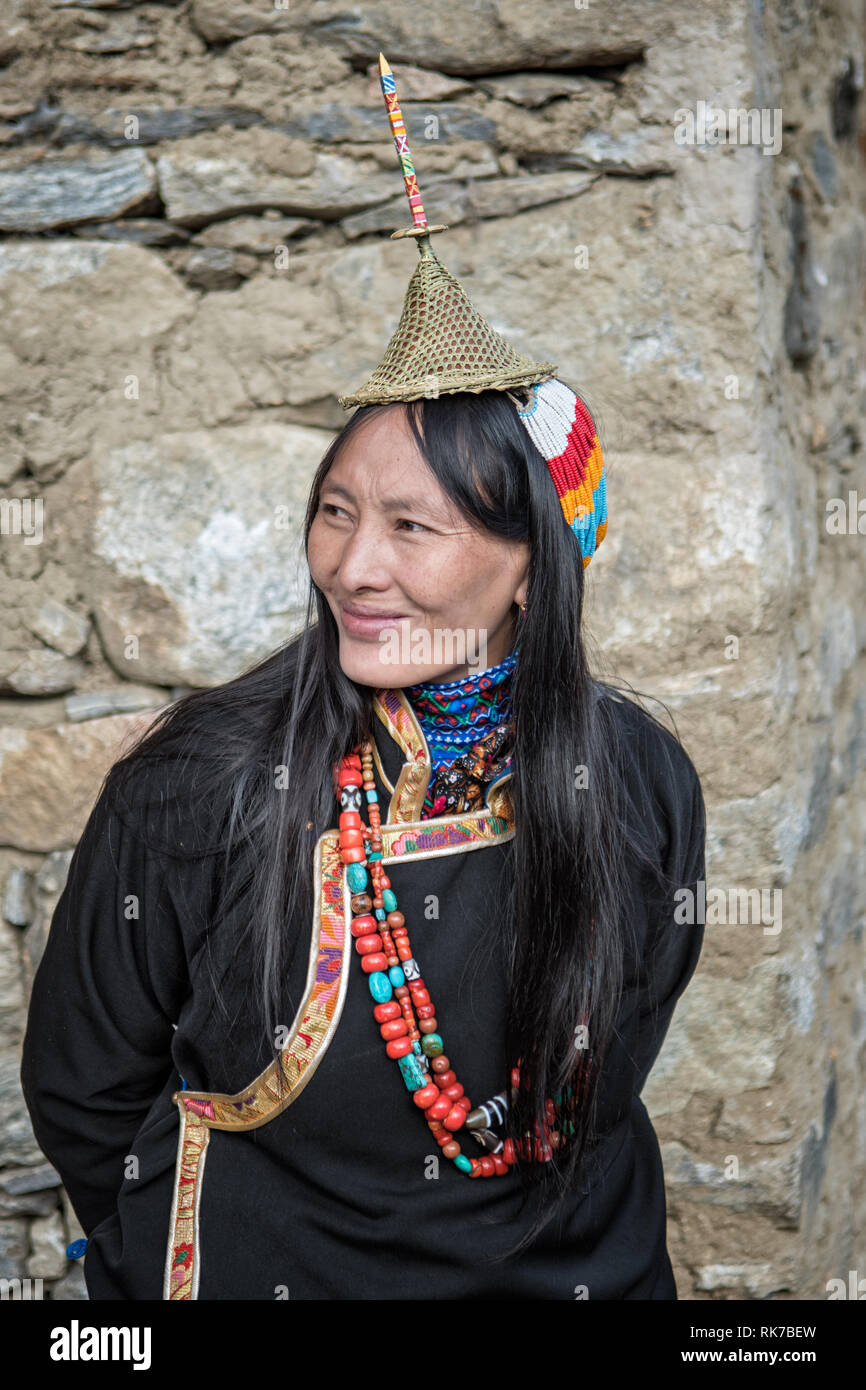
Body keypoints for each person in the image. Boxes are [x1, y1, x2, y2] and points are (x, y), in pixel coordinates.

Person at [20, 59, 706, 1302]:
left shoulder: (640, 777)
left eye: (412, 526)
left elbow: (620, 1053)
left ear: (530, 575)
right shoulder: (204, 783)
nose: (352, 565)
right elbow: (84, 1087)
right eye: (336, 512)